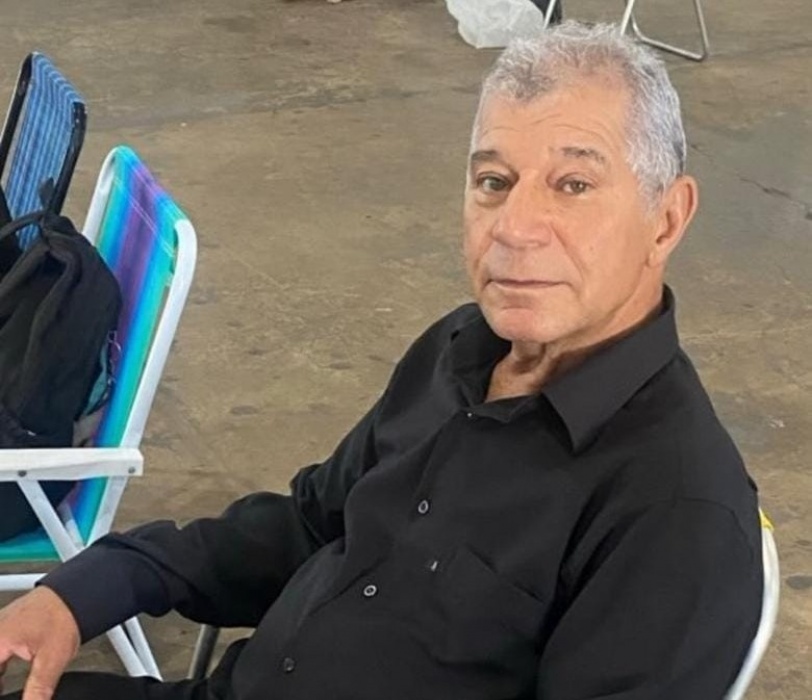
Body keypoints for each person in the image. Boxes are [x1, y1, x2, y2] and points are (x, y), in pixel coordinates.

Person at [0, 21, 762, 700]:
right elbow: (309, 524)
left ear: (667, 219)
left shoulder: (679, 514)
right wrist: (93, 585)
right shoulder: (460, 348)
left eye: (573, 184)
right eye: (493, 182)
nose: (515, 227)